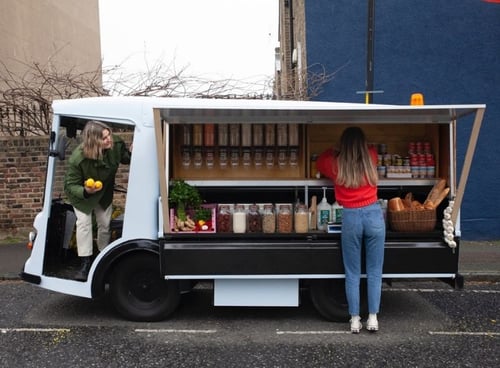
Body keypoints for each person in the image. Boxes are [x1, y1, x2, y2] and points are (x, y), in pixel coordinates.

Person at [316, 127, 385, 334]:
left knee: (352, 272)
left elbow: (320, 159)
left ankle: (355, 320)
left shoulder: (335, 164)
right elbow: (372, 148)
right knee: (374, 271)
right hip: (374, 214)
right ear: (363, 145)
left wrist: (336, 149)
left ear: (342, 145)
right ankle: (373, 318)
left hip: (351, 216)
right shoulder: (371, 156)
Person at [64, 120, 131, 281]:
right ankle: (85, 263)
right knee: (84, 224)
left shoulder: (116, 144)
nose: (109, 139)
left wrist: (133, 152)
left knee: (105, 224)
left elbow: (127, 159)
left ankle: (103, 256)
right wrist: (85, 191)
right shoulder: (78, 158)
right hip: (83, 196)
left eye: (108, 135)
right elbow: (71, 185)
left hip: (103, 193)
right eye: (104, 138)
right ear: (94, 141)